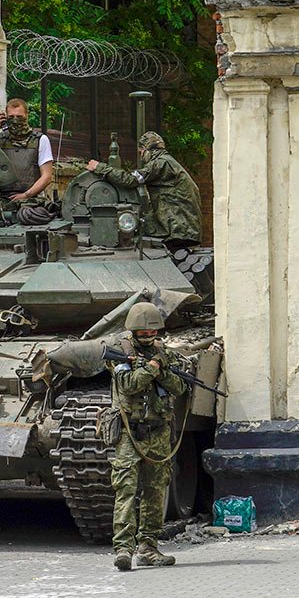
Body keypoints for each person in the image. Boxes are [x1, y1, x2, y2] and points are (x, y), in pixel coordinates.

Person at [107, 302, 187, 571]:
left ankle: (148, 547)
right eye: (144, 334)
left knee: (155, 490)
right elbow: (128, 384)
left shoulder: (163, 354)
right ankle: (123, 549)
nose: (149, 338)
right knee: (126, 489)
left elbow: (179, 387)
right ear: (134, 332)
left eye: (153, 334)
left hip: (159, 430)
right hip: (130, 431)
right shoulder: (120, 353)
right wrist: (153, 366)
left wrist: (161, 368)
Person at [87, 131, 201, 249]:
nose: (141, 157)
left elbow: (131, 180)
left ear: (148, 149)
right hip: (182, 227)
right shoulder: (168, 162)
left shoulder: (161, 163)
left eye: (141, 152)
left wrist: (99, 167)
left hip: (178, 229)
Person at [0, 98, 55, 225]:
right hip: (1, 199)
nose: (15, 120)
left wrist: (26, 195)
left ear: (26, 116)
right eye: (11, 117)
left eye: (19, 116)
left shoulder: (40, 140)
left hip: (31, 200)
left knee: (30, 216)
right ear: (5, 117)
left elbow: (47, 177)